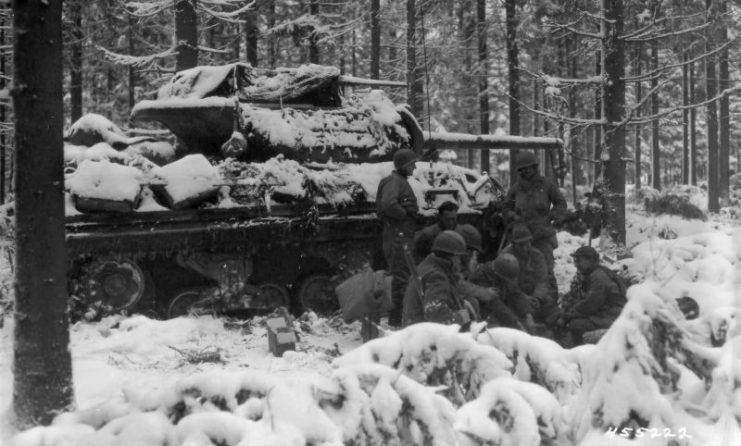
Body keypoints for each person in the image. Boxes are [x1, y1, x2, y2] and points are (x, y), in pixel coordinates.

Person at [504, 151, 567, 297]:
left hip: (542, 234)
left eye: (530, 167)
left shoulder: (547, 184)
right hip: (522, 236)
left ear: (535, 167)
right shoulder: (515, 189)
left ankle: (551, 304)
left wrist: (551, 216)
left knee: (546, 270)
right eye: (523, 169)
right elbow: (506, 207)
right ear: (519, 171)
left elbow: (561, 203)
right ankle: (526, 302)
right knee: (520, 270)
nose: (527, 171)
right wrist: (512, 215)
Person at [376, 148, 419, 327]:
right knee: (402, 276)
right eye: (412, 164)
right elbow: (388, 204)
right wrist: (404, 215)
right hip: (398, 236)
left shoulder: (398, 181)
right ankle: (397, 318)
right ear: (404, 165)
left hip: (400, 235)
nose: (415, 167)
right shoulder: (395, 181)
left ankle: (399, 317)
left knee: (403, 274)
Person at [553, 246, 627, 345]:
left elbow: (590, 304)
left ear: (591, 260)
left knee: (576, 325)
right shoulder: (591, 274)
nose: (576, 265)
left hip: (612, 317)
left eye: (579, 261)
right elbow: (580, 296)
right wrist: (568, 305)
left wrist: (566, 316)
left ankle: (579, 352)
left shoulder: (599, 277)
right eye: (575, 261)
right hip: (604, 313)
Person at [402, 231, 476, 327]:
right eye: (459, 258)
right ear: (452, 257)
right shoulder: (436, 276)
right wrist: (462, 318)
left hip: (415, 330)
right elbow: (436, 314)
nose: (459, 262)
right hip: (424, 336)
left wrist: (461, 303)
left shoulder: (426, 266)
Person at [501, 225, 558, 326]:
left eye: (526, 243)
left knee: (550, 304)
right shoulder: (506, 256)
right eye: (520, 245)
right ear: (514, 244)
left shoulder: (537, 255)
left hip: (534, 294)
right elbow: (508, 283)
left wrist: (537, 297)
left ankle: (553, 329)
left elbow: (543, 280)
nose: (524, 248)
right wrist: (525, 298)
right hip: (514, 295)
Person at [469, 253, 536, 333]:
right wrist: (516, 323)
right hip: (485, 313)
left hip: (503, 310)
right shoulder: (481, 277)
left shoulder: (504, 273)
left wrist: (527, 314)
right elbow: (496, 305)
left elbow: (516, 293)